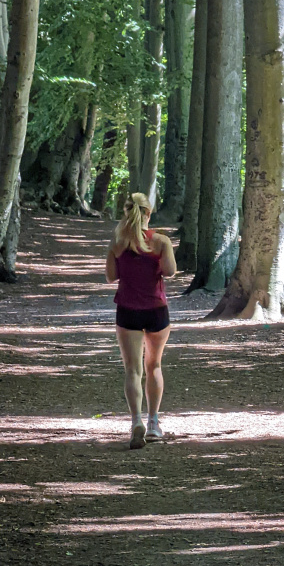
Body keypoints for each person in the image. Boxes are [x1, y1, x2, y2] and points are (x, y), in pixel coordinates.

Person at [106, 192, 177, 448]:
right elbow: (170, 272)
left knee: (132, 370)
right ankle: (154, 423)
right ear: (149, 213)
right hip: (157, 310)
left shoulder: (118, 242)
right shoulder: (161, 241)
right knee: (154, 366)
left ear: (127, 212)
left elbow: (110, 277)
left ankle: (136, 420)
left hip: (127, 311)